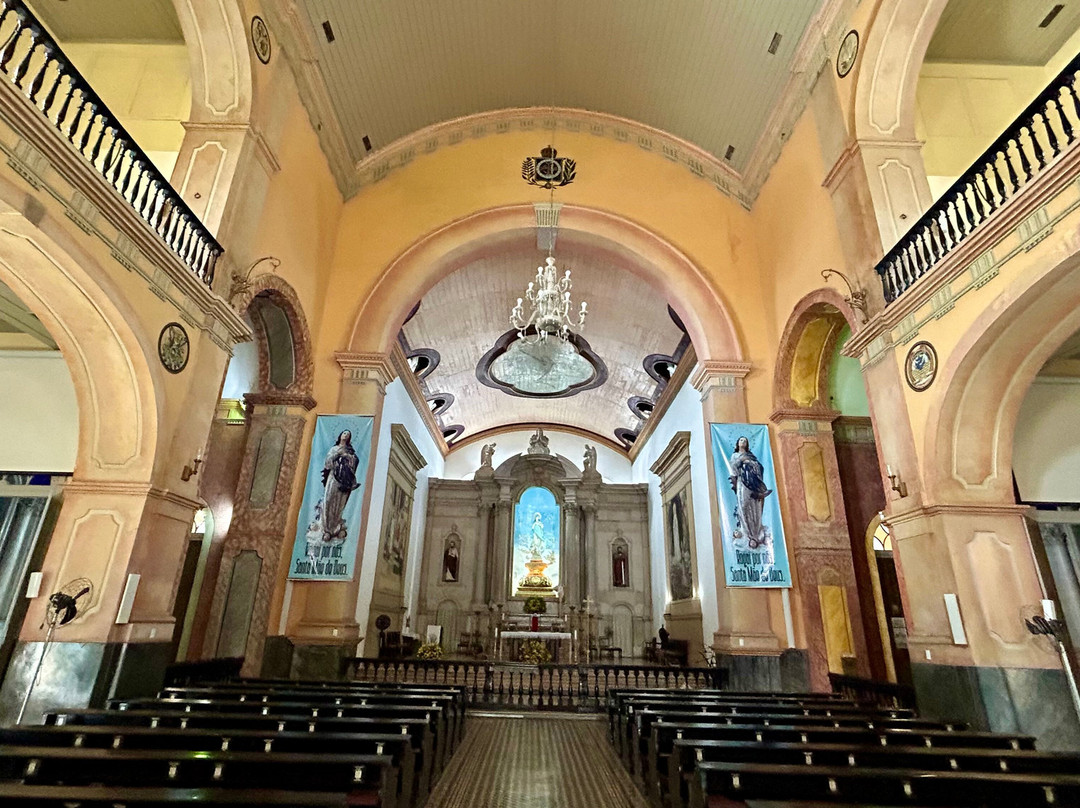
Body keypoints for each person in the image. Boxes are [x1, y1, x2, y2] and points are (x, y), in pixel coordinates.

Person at [729, 436, 772, 549]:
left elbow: (759, 467)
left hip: (754, 483)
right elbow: (733, 468)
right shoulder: (735, 455)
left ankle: (756, 531)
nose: (743, 442)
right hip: (742, 483)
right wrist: (741, 461)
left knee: (755, 506)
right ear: (737, 443)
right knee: (743, 505)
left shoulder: (751, 456)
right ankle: (746, 531)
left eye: (745, 441)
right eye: (741, 440)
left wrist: (751, 465)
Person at [320, 429, 361, 543]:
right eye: (344, 433)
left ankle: (336, 528)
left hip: (345, 480)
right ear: (340, 435)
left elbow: (354, 462)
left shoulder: (350, 451)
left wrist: (348, 458)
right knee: (329, 500)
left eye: (348, 434)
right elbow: (328, 464)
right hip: (334, 478)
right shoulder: (334, 449)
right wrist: (339, 454)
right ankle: (327, 529)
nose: (346, 435)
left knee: (340, 503)